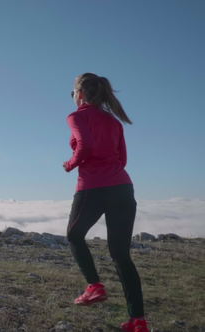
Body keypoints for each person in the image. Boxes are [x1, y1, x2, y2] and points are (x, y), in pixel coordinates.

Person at [63, 73, 149, 332]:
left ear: (79, 94)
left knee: (74, 235)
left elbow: (85, 145)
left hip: (93, 186)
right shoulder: (113, 121)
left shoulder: (76, 116)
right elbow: (122, 158)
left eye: (72, 93)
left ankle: (94, 286)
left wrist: (70, 164)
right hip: (122, 187)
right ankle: (138, 321)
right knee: (121, 256)